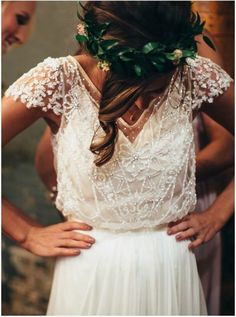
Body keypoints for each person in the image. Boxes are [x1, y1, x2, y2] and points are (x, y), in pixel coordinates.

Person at [2, 2, 234, 315]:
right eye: (130, 84)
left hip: (171, 269)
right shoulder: (58, 80)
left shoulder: (193, 76)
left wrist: (219, 212)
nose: (142, 101)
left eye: (155, 88)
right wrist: (25, 231)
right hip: (89, 267)